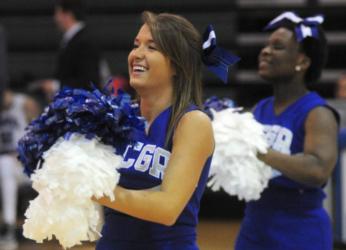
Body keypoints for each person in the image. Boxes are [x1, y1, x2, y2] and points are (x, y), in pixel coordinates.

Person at [93, 11, 214, 250]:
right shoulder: (115, 118)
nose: (137, 54)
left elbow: (168, 208)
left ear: (178, 66)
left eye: (152, 47)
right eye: (136, 45)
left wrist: (95, 190)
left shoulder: (192, 123)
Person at [235, 12, 338, 250]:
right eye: (266, 45)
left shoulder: (317, 112)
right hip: (254, 226)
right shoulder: (260, 109)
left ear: (302, 61)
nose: (266, 51)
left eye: (278, 46)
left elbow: (317, 169)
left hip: (300, 231)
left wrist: (258, 151)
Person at [0, 89, 40, 249]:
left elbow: (38, 130)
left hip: (26, 165)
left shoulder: (22, 102)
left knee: (5, 165)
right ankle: (9, 226)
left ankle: (9, 227)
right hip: (5, 166)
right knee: (4, 164)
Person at [41, 0, 101, 101]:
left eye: (57, 13)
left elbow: (89, 81)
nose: (55, 18)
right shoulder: (74, 39)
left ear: (67, 15)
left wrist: (55, 86)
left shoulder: (84, 41)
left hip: (81, 107)